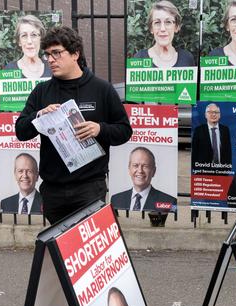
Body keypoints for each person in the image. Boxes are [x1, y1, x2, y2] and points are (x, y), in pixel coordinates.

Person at [15, 26, 132, 224]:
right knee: (60, 250)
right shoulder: (42, 91)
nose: (51, 60)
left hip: (89, 187)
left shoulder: (102, 89)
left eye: (57, 53)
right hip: (53, 188)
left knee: (87, 248)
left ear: (75, 54)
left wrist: (99, 129)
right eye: (47, 55)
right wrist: (39, 116)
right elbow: (21, 130)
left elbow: (124, 130)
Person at [111, 147, 176, 212]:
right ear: (129, 169)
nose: (140, 171)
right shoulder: (115, 199)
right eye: (135, 165)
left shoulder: (170, 202)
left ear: (154, 171)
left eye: (145, 166)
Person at [133, 1, 195, 68]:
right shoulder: (140, 58)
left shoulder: (187, 58)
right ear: (151, 28)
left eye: (168, 22)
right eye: (157, 22)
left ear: (176, 27)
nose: (162, 29)